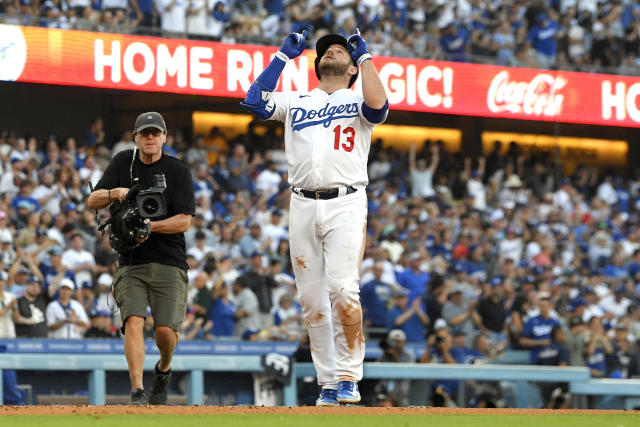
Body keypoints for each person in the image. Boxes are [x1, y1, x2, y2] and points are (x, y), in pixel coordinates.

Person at [241, 28, 388, 406]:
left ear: (352, 66)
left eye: (340, 50)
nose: (331, 53)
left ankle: (348, 376)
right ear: (317, 63)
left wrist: (367, 58)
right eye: (326, 50)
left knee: (342, 289)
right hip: (302, 203)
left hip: (346, 201)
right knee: (312, 301)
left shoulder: (357, 97)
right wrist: (281, 57)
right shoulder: (298, 99)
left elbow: (379, 106)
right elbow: (253, 101)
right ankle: (326, 383)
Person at [86, 112, 195, 405]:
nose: (150, 138)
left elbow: (185, 220)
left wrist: (152, 226)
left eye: (155, 133)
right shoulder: (123, 162)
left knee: (165, 332)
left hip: (169, 260)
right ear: (136, 137)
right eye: (144, 133)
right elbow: (92, 200)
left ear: (163, 137)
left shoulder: (178, 170)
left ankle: (163, 367)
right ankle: (137, 390)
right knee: (133, 320)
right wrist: (117, 192)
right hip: (131, 260)